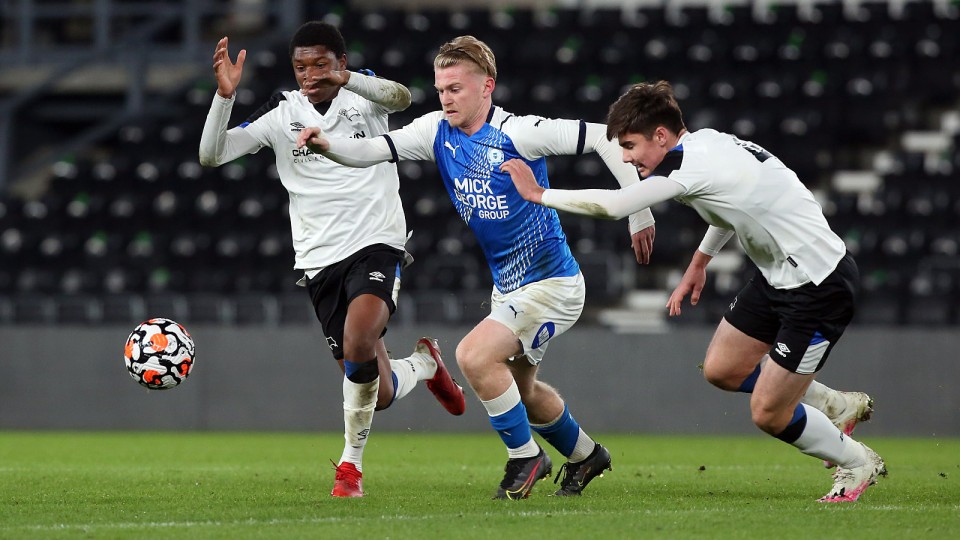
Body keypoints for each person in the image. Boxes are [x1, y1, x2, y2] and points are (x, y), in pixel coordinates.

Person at [296, 35, 658, 499]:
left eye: (456, 89)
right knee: (522, 392)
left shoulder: (521, 132)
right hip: (509, 288)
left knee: (472, 355)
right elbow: (374, 149)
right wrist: (327, 144)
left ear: (487, 86)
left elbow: (609, 140)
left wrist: (638, 210)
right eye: (441, 88)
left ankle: (524, 458)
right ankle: (588, 456)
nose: (446, 98)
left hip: (552, 285)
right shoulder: (436, 131)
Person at [503, 80, 886, 502]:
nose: (627, 158)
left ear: (662, 136)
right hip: (776, 275)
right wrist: (700, 262)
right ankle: (834, 404)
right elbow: (729, 204)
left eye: (630, 146)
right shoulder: (709, 144)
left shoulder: (689, 167)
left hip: (819, 285)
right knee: (723, 368)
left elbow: (614, 205)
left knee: (769, 413)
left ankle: (857, 463)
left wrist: (537, 193)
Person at [198, 21, 466, 498]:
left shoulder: (364, 97)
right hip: (319, 261)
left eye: (321, 63)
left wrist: (348, 79)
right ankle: (425, 366)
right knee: (378, 393)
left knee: (360, 336)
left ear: (340, 63)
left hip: (376, 242)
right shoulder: (283, 113)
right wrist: (224, 98)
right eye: (301, 66)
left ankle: (350, 467)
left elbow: (402, 97)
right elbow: (212, 156)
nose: (309, 74)